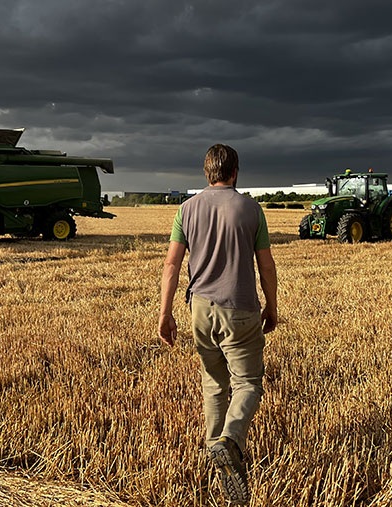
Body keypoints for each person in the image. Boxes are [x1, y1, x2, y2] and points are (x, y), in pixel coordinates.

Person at [158, 144, 278, 505]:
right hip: (240, 309)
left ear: (206, 172)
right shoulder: (251, 209)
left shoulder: (186, 209)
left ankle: (216, 457)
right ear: (235, 172)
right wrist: (272, 306)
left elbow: (171, 266)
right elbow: (267, 266)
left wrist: (165, 313)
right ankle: (230, 441)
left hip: (200, 310)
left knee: (213, 384)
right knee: (248, 383)